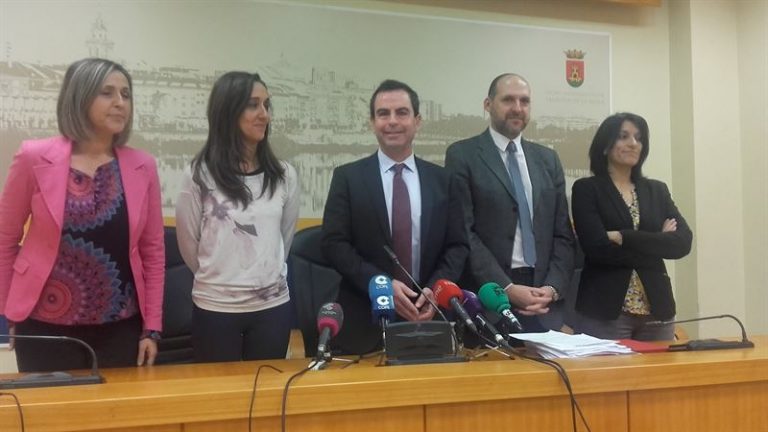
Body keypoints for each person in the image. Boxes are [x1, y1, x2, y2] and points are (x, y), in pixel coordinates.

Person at [0, 58, 165, 371]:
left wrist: (152, 328)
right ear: (80, 97)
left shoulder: (142, 166)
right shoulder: (33, 157)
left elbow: (153, 252)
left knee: (116, 404)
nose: (120, 103)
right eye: (107, 93)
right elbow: (4, 240)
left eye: (126, 95)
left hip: (120, 327)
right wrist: (8, 311)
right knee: (50, 404)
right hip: (44, 327)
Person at [321, 79, 468, 355]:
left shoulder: (443, 181)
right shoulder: (348, 178)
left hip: (429, 315)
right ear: (372, 122)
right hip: (364, 319)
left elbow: (458, 246)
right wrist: (381, 285)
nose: (392, 121)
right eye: (383, 114)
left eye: (401, 113)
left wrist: (435, 289)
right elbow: (333, 244)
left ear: (417, 121)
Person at [175, 71, 299, 362]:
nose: (264, 114)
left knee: (267, 387)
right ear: (228, 111)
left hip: (272, 307)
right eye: (253, 105)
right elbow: (189, 245)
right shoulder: (198, 174)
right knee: (220, 389)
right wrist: (224, 280)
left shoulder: (284, 175)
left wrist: (261, 275)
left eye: (266, 105)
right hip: (215, 308)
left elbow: (283, 239)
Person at [445, 73, 575, 332]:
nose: (517, 108)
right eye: (508, 100)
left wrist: (551, 288)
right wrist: (506, 288)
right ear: (488, 104)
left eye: (524, 101)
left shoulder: (547, 159)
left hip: (542, 300)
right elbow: (464, 232)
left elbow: (562, 234)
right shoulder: (463, 155)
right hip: (490, 300)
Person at [571, 112, 692, 341]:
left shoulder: (657, 190)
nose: (633, 143)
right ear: (605, 145)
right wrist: (657, 242)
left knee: (663, 366)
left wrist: (622, 237)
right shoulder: (587, 189)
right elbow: (596, 248)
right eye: (623, 136)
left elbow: (683, 243)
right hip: (606, 310)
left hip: (657, 311)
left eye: (639, 138)